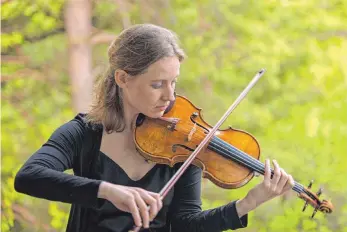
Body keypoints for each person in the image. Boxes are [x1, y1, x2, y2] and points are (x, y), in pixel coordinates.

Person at [14, 24, 295, 232]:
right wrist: (107, 190)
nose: (170, 96)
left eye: (174, 82)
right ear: (123, 78)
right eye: (157, 84)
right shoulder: (83, 134)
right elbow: (29, 176)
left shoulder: (184, 142)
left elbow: (186, 225)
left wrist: (249, 202)